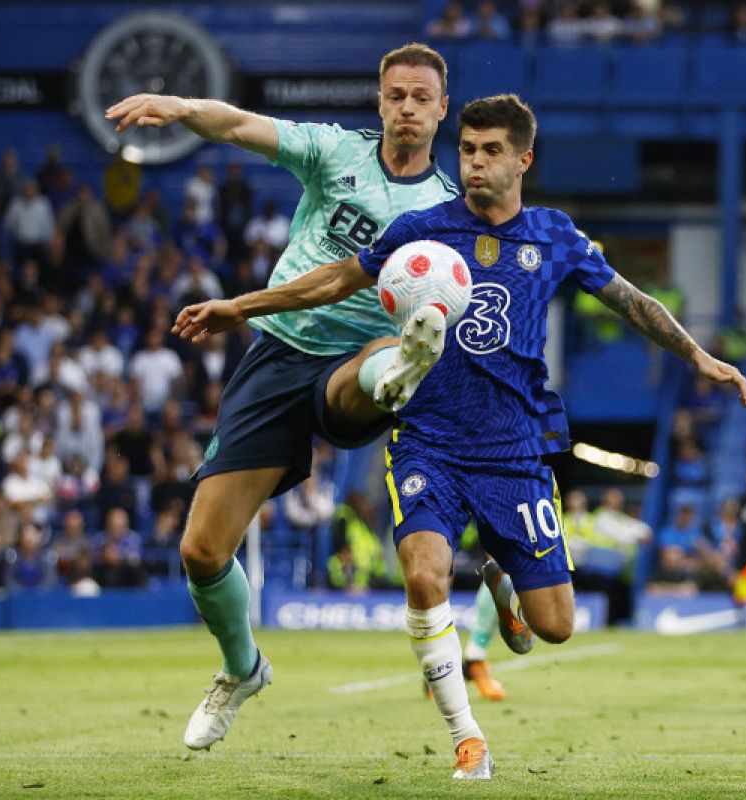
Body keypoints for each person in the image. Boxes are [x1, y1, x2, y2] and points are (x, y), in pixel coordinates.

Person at [172, 94, 746, 779]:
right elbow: (331, 281)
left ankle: (503, 576)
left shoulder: (554, 236)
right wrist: (241, 306)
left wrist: (700, 358)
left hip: (514, 449)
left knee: (555, 627)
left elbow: (633, 301)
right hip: (428, 439)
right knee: (423, 576)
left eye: (491, 151)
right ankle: (466, 737)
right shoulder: (423, 230)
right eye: (468, 150)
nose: (475, 163)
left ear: (523, 159)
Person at [106, 44, 509, 758]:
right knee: (201, 551)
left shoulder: (450, 211)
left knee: (385, 366)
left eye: (422, 97)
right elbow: (238, 126)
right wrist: (177, 108)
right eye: (397, 96)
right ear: (380, 102)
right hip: (278, 352)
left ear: (443, 110)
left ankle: (402, 368)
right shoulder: (333, 153)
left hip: (357, 364)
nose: (408, 108)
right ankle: (242, 668)